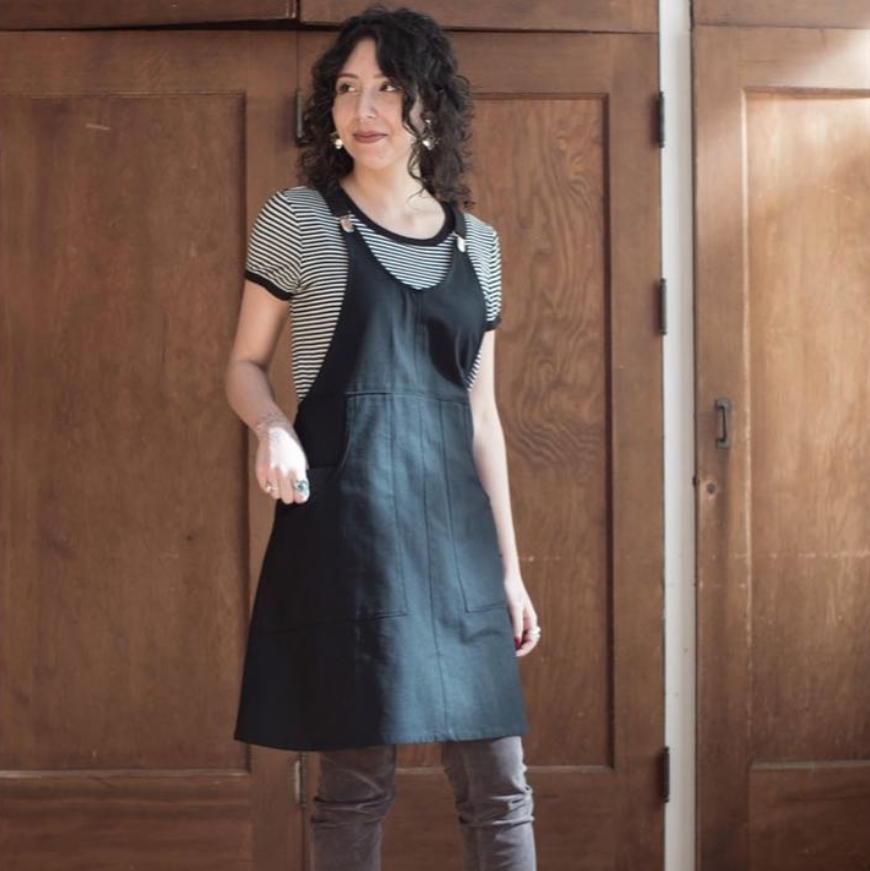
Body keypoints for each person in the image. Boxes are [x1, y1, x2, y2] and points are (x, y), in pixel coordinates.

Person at [226, 5, 542, 868]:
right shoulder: (300, 221)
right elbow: (244, 365)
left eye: (388, 89)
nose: (363, 108)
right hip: (352, 531)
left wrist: (509, 571)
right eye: (346, 89)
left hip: (458, 540)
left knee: (500, 785)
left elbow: (483, 419)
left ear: (429, 107)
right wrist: (272, 428)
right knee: (356, 784)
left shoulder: (480, 246)